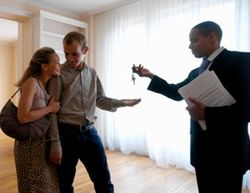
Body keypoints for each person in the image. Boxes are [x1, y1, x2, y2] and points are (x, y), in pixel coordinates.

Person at [133, 21, 250, 193]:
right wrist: (150, 76)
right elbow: (175, 92)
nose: (189, 46)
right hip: (202, 152)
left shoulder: (242, 61)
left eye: (194, 40)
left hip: (229, 152)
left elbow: (247, 108)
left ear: (212, 37)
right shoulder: (196, 72)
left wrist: (207, 113)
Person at [47, 31, 141, 193]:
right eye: (66, 54)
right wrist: (55, 142)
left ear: (85, 51)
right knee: (64, 184)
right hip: (66, 135)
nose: (69, 59)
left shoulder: (92, 73)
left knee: (104, 180)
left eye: (74, 54)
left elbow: (100, 100)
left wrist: (122, 103)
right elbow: (52, 110)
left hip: (90, 133)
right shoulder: (59, 74)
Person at [14, 47, 62, 193]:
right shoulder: (31, 83)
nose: (60, 65)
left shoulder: (43, 84)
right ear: (45, 66)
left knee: (46, 186)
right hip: (29, 146)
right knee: (33, 187)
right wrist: (49, 108)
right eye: (57, 62)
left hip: (41, 144)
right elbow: (23, 117)